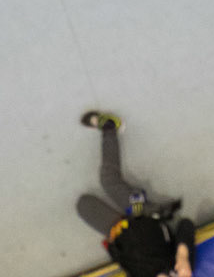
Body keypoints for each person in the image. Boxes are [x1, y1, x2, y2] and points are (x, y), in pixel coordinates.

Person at [76, 111, 196, 276]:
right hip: (143, 215)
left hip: (121, 229)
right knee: (108, 181)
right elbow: (186, 225)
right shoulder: (179, 270)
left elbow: (126, 262)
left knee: (84, 205)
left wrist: (113, 246)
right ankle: (109, 127)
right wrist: (183, 256)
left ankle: (132, 201)